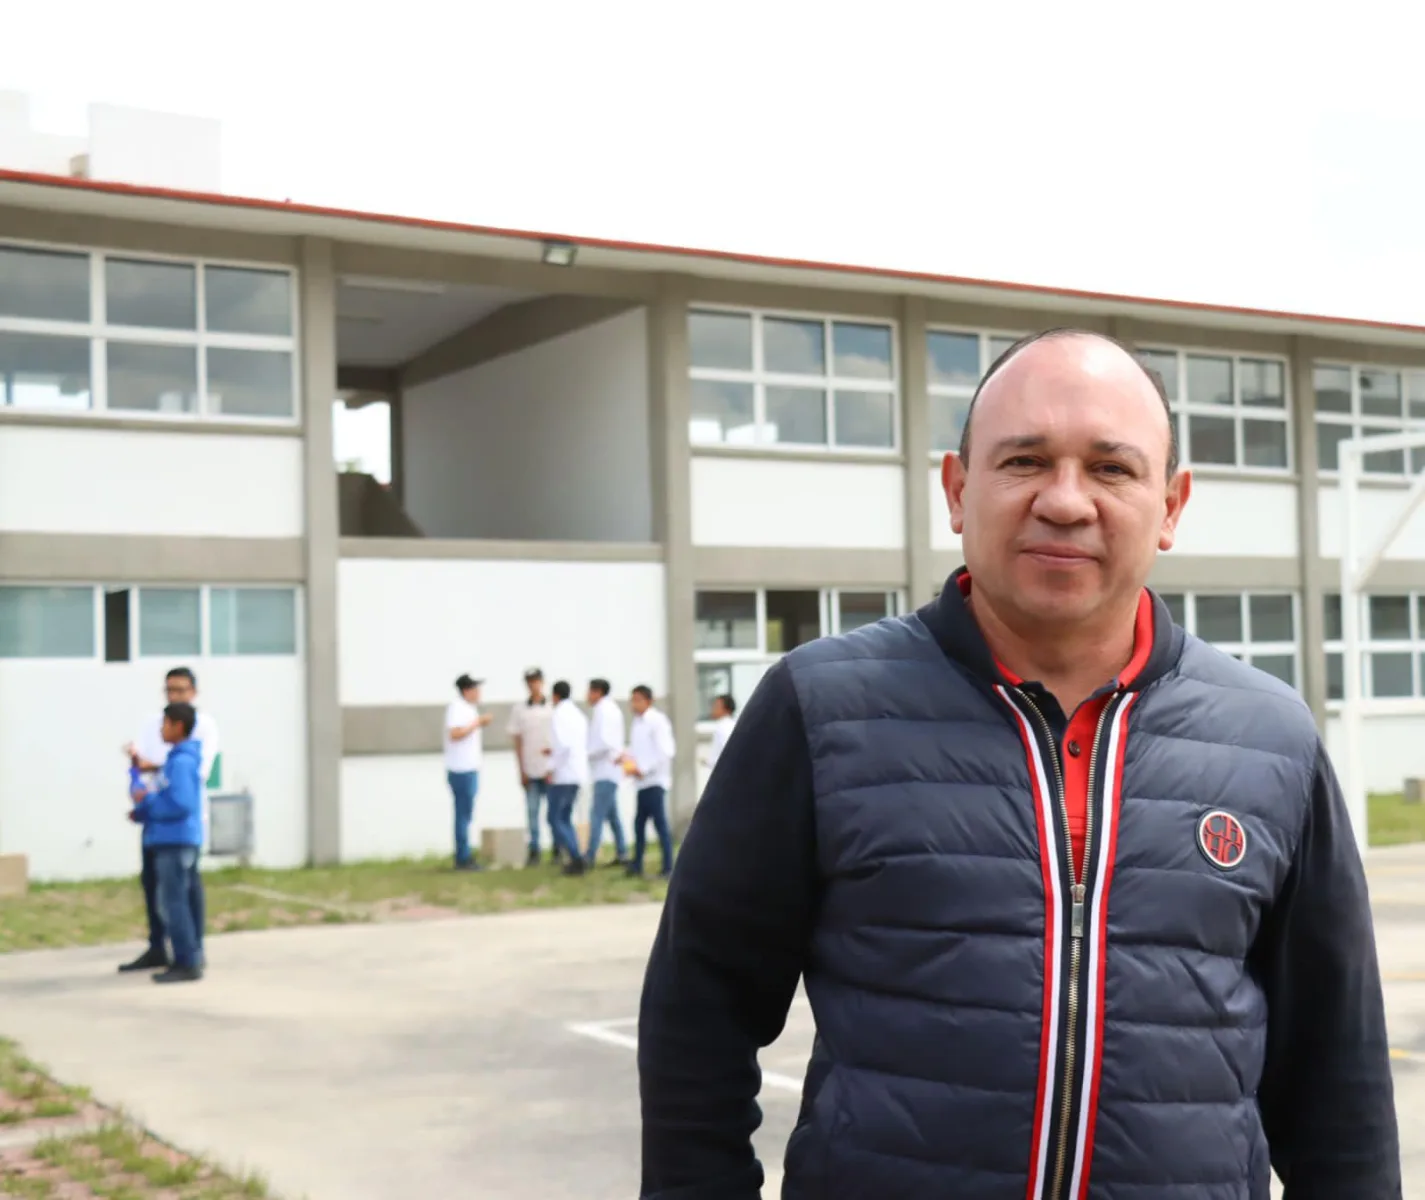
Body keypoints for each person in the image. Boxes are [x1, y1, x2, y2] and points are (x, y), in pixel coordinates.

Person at [637, 329, 1401, 1199]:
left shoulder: (1271, 740)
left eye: (1111, 469)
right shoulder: (821, 708)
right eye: (1024, 460)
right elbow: (699, 1010)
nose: (1065, 501)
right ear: (958, 490)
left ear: (1172, 505)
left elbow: (1337, 1076)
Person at [119, 666, 219, 974]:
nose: (174, 695)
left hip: (178, 828)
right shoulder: (155, 724)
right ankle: (159, 947)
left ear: (194, 692)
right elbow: (151, 766)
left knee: (181, 893)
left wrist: (152, 779)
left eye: (180, 690)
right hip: (158, 825)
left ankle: (190, 953)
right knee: (154, 886)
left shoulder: (200, 730)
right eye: (169, 690)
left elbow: (187, 784)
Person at [128, 701, 205, 984]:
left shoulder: (182, 763)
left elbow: (181, 803)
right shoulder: (174, 760)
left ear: (178, 726)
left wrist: (147, 801)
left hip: (175, 842)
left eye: (165, 724)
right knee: (173, 901)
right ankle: (186, 957)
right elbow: (166, 798)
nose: (161, 729)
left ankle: (187, 962)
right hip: (168, 839)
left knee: (174, 903)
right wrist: (143, 810)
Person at [622, 685, 676, 880]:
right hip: (641, 783)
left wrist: (644, 769)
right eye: (632, 699)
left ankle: (669, 866)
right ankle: (637, 865)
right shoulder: (637, 723)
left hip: (654, 781)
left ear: (648, 701)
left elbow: (665, 752)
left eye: (637, 699)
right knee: (639, 825)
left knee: (660, 825)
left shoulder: (657, 721)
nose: (633, 704)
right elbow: (639, 751)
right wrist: (627, 759)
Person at [508, 667, 556, 867]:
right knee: (532, 812)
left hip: (550, 770)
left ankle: (557, 849)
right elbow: (517, 741)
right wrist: (521, 770)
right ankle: (534, 850)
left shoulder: (552, 707)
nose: (533, 684)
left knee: (554, 814)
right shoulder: (520, 710)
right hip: (531, 768)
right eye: (529, 681)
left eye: (535, 680)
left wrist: (554, 768)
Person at [444, 673, 492, 871]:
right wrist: (476, 724)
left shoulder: (468, 709)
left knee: (466, 815)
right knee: (463, 815)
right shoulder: (458, 708)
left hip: (469, 768)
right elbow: (455, 734)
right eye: (475, 689)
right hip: (461, 770)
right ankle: (463, 857)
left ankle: (464, 854)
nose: (479, 693)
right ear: (467, 690)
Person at [544, 680, 589, 877]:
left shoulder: (558, 714)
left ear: (555, 695)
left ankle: (576, 856)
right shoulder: (578, 714)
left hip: (564, 774)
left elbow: (563, 746)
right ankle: (575, 855)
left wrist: (550, 767)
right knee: (564, 817)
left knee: (555, 818)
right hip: (577, 772)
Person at [585, 677, 630, 868]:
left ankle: (589, 856)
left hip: (605, 768)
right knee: (613, 816)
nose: (587, 695)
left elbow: (603, 742)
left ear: (597, 692)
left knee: (596, 815)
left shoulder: (603, 710)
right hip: (609, 769)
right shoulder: (612, 709)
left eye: (589, 691)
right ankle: (622, 852)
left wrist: (587, 753)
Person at [703, 693, 737, 772]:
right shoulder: (733, 724)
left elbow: (728, 752)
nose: (713, 709)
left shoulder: (723, 727)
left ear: (726, 709)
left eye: (716, 706)